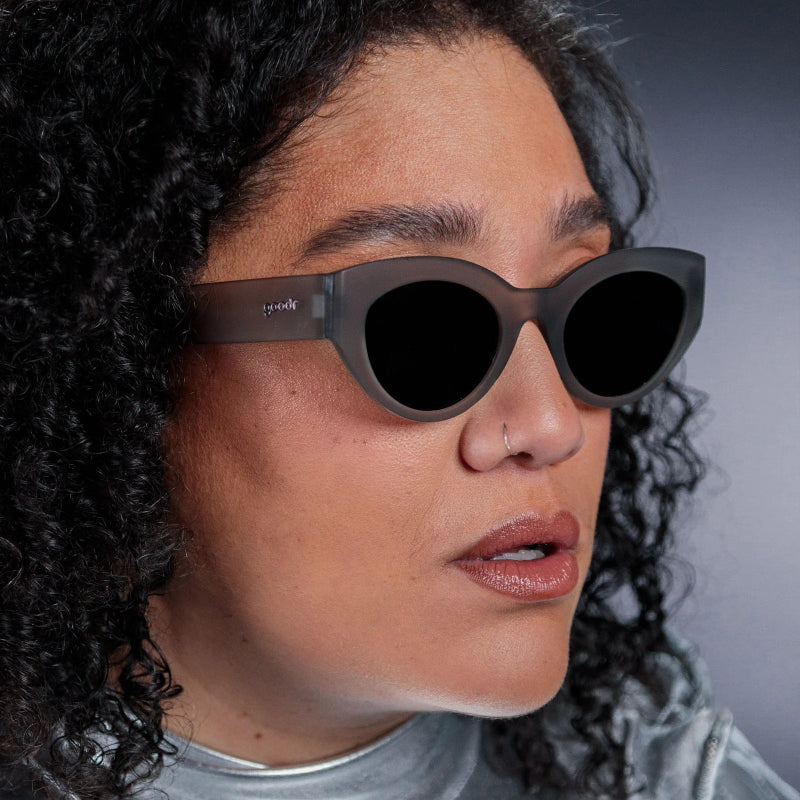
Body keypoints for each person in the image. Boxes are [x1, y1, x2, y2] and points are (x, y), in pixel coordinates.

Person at [0, 1, 797, 799]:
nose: (552, 425)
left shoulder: (661, 770)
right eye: (421, 326)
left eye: (596, 310)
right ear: (112, 360)